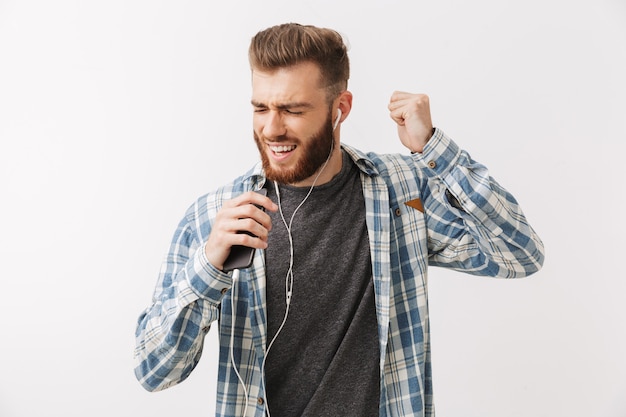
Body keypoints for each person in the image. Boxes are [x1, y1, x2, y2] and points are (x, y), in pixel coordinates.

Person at [133, 22, 544, 417]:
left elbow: (519, 254)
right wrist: (208, 267)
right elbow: (154, 371)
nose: (272, 128)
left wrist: (434, 148)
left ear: (340, 109)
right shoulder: (215, 217)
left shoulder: (404, 192)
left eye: (292, 110)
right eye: (261, 107)